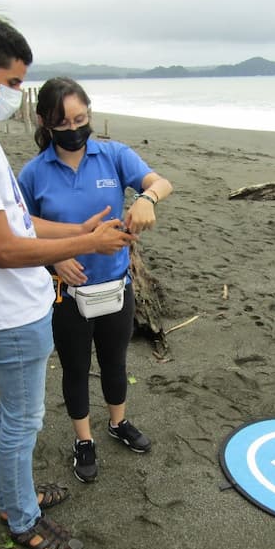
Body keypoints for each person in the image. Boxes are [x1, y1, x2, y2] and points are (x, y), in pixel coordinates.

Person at [0, 19, 136, 549]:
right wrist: (85, 247)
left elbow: (22, 222)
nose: (17, 93)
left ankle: (17, 494)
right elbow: (4, 247)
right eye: (13, 82)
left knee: (16, 416)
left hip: (20, 305)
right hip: (7, 311)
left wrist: (84, 233)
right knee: (23, 421)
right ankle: (23, 519)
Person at [18, 77, 173, 483]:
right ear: (44, 122)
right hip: (66, 293)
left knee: (114, 360)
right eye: (63, 123)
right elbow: (20, 229)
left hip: (115, 286)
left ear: (90, 113)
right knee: (75, 367)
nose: (73, 130)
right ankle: (83, 439)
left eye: (80, 119)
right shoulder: (35, 174)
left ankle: (118, 423)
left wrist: (146, 198)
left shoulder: (113, 155)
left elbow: (161, 182)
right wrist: (55, 262)